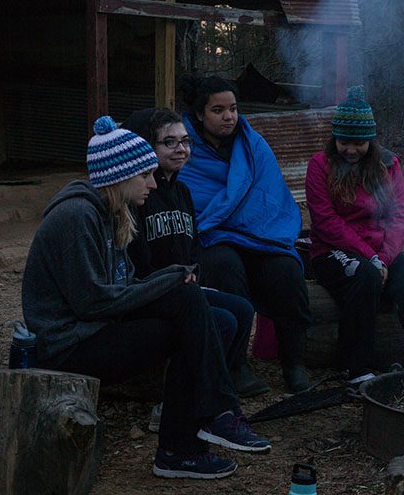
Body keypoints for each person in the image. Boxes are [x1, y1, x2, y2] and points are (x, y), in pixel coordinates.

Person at [22, 116, 271, 480]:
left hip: (100, 325)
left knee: (213, 315)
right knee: (185, 309)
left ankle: (194, 434)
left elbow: (125, 284)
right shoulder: (76, 216)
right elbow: (93, 302)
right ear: (120, 177)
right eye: (145, 176)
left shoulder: (112, 212)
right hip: (69, 343)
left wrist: (171, 280)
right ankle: (194, 434)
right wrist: (170, 279)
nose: (154, 184)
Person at [176, 74, 313, 393]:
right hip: (212, 234)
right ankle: (236, 365)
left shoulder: (252, 144)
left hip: (259, 233)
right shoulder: (183, 146)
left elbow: (271, 195)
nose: (229, 117)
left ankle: (295, 362)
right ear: (199, 114)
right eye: (218, 110)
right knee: (225, 267)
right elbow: (188, 196)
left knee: (287, 272)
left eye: (233, 109)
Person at [123, 107, 270, 398]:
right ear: (147, 147)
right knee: (222, 319)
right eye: (169, 142)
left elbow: (191, 249)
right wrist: (175, 281)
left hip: (182, 285)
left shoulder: (183, 193)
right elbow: (136, 262)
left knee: (241, 308)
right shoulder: (138, 196)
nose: (181, 149)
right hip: (150, 291)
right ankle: (192, 392)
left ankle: (220, 378)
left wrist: (191, 274)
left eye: (186, 141)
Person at [304, 86, 404, 380]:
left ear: (370, 140)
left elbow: (400, 214)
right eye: (344, 142)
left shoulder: (387, 164)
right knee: (364, 278)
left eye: (359, 143)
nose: (351, 150)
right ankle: (356, 367)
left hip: (380, 251)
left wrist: (384, 258)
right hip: (331, 249)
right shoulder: (320, 165)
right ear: (334, 138)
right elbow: (325, 221)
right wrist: (372, 260)